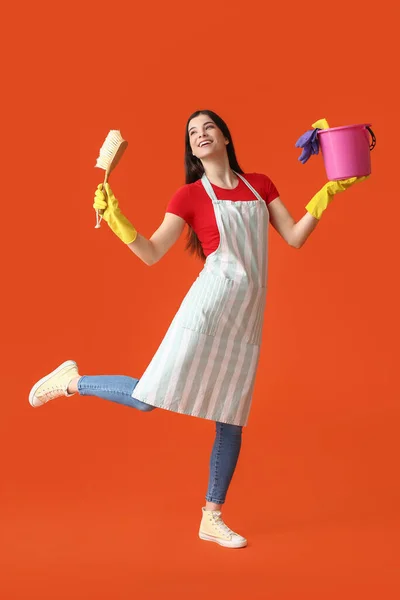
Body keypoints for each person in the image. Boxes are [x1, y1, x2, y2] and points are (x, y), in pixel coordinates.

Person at [28, 110, 366, 549]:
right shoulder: (189, 196)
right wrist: (116, 219)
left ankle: (212, 517)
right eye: (192, 132)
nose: (201, 134)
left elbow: (295, 236)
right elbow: (151, 252)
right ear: (192, 149)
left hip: (245, 318)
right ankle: (73, 381)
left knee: (231, 416)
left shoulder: (259, 185)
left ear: (225, 136)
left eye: (208, 127)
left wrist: (329, 191)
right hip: (206, 312)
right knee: (150, 398)